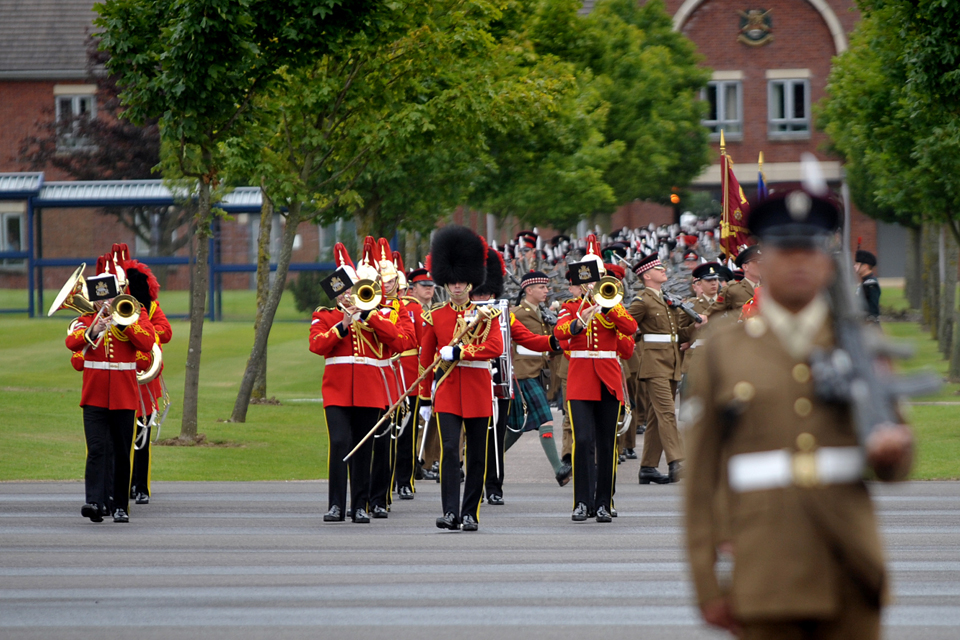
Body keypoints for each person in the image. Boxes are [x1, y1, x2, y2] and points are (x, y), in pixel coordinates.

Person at [684, 190, 914, 639]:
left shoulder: (861, 346)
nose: (799, 262)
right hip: (765, 575)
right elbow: (700, 480)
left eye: (810, 250)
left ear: (828, 263)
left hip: (851, 571)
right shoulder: (723, 351)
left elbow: (898, 465)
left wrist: (890, 453)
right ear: (761, 264)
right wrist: (707, 584)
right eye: (785, 251)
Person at [309, 242, 402, 524]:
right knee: (339, 443)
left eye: (352, 290)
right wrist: (343, 325)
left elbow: (397, 341)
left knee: (363, 448)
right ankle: (336, 505)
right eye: (343, 290)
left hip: (369, 392)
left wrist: (369, 315)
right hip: (336, 392)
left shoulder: (376, 315)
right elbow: (317, 345)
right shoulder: (324, 315)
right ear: (336, 292)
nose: (348, 295)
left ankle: (359, 505)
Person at [418, 225, 503, 531]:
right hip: (448, 391)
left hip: (478, 390)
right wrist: (426, 397)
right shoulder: (436, 316)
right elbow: (426, 360)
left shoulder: (487, 315)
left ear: (471, 282)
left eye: (462, 282)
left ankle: (470, 513)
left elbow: (495, 347)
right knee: (450, 451)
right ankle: (450, 511)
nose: (457, 287)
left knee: (477, 456)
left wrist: (462, 352)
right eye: (452, 282)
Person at [66, 251, 157, 524]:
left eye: (108, 298)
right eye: (99, 299)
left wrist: (123, 324)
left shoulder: (134, 316)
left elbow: (147, 341)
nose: (104, 304)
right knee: (96, 449)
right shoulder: (86, 321)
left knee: (120, 450)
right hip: (93, 397)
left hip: (124, 397)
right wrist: (95, 329)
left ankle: (120, 506)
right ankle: (94, 502)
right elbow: (72, 343)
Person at [554, 235, 637, 522]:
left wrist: (609, 307)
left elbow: (630, 327)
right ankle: (582, 502)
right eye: (588, 279)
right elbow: (560, 332)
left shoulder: (614, 305)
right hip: (580, 381)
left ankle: (604, 502)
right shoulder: (570, 306)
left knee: (606, 443)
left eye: (597, 278)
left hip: (609, 380)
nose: (592, 284)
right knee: (584, 441)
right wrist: (582, 317)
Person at [629, 254, 704, 485]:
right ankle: (677, 461)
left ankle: (648, 467)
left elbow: (676, 336)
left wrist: (696, 326)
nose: (664, 270)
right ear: (647, 276)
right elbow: (627, 326)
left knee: (655, 417)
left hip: (671, 363)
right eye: (658, 268)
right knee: (667, 413)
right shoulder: (642, 301)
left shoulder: (668, 299)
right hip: (653, 364)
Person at [501, 269, 570, 492]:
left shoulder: (541, 313)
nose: (546, 290)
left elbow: (545, 343)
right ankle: (559, 469)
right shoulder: (517, 314)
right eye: (541, 287)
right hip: (522, 373)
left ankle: (485, 460)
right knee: (545, 419)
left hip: (538, 372)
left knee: (516, 427)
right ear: (528, 290)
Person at [365, 238, 416, 518]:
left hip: (388, 380)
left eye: (389, 281)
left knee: (385, 441)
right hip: (362, 380)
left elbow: (404, 340)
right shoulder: (362, 304)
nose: (386, 286)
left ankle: (379, 498)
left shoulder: (401, 309)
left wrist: (375, 319)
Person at [126, 257, 172, 505]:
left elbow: (166, 331)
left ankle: (140, 485)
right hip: (121, 376)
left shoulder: (152, 308)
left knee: (142, 435)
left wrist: (143, 331)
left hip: (144, 379)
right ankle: (123, 483)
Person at [406, 266, 441, 481]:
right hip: (415, 370)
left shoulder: (435, 310)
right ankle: (414, 463)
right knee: (418, 420)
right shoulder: (410, 309)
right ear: (413, 289)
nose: (428, 289)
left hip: (435, 368)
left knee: (433, 419)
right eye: (423, 286)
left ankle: (429, 461)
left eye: (431, 286)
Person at [717, 245, 761, 312]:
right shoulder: (732, 290)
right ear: (745, 267)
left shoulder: (770, 289)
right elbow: (714, 312)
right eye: (756, 262)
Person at [854, 249, 881, 323]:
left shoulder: (871, 283)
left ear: (865, 266)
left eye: (857, 264)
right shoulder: (865, 283)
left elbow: (873, 308)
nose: (854, 266)